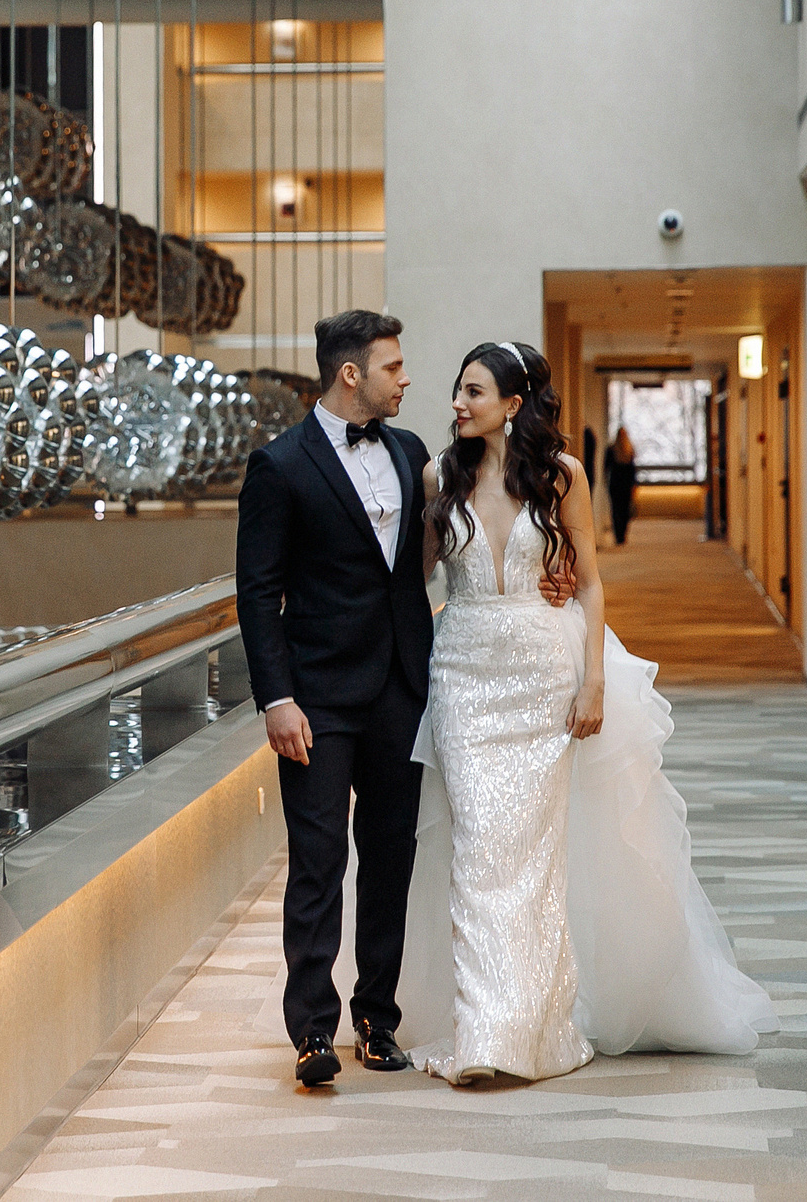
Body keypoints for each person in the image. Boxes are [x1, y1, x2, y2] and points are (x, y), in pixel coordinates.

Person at [399, 341, 775, 1084]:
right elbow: (414, 581)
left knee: (535, 857)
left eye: (472, 391)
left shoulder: (561, 476)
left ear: (512, 403)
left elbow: (593, 583)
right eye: (455, 390)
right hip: (466, 676)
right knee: (479, 849)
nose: (456, 403)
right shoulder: (437, 475)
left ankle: (533, 1023)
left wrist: (593, 680)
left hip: (543, 674)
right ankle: (488, 1031)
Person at [235, 310, 572, 1087]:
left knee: (391, 857)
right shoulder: (278, 466)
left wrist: (539, 578)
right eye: (393, 365)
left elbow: (432, 560)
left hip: (403, 688)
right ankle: (313, 1031)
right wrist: (276, 696)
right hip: (316, 698)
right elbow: (257, 594)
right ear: (352, 373)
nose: (407, 378)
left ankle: (376, 1020)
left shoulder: (415, 452)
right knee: (318, 861)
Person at [603, 424, 640, 545]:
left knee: (617, 510)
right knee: (623, 510)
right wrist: (634, 485)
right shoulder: (628, 451)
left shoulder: (612, 449)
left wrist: (605, 481)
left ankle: (618, 534)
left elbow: (606, 468)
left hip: (615, 484)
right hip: (625, 484)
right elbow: (632, 471)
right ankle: (622, 534)